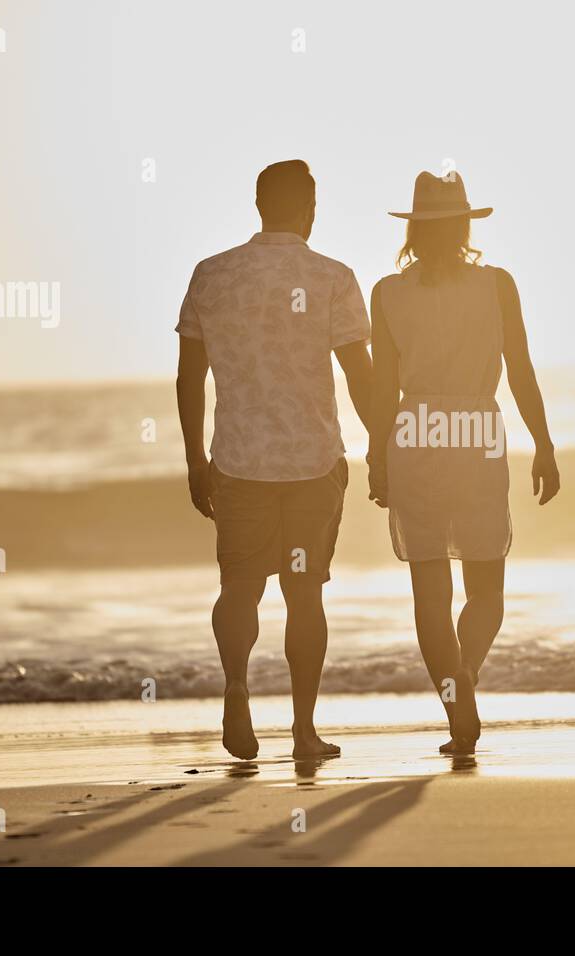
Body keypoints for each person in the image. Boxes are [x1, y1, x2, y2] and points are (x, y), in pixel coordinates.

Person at [175, 160, 372, 760]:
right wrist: (384, 446)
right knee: (304, 593)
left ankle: (236, 685)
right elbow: (359, 373)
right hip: (312, 463)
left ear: (259, 205)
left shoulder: (212, 275)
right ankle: (303, 731)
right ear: (310, 207)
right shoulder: (332, 277)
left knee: (239, 587)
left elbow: (189, 376)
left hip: (237, 461)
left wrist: (194, 460)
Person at [368, 170, 560, 754]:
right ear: (464, 227)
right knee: (486, 590)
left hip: (414, 436)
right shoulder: (497, 285)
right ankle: (466, 676)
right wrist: (544, 445)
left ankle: (457, 703)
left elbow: (383, 387)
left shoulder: (387, 293)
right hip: (477, 435)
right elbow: (521, 368)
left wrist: (377, 457)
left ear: (416, 230)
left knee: (429, 591)